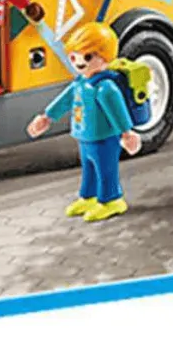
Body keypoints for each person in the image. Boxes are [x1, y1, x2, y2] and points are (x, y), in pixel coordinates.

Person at [26, 22, 142, 221]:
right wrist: (47, 116)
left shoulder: (105, 87)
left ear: (105, 57)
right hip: (85, 136)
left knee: (105, 170)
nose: (79, 62)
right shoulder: (80, 83)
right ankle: (88, 196)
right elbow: (64, 101)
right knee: (88, 169)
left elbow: (117, 111)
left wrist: (126, 132)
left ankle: (112, 199)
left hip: (104, 138)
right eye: (74, 56)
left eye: (88, 57)